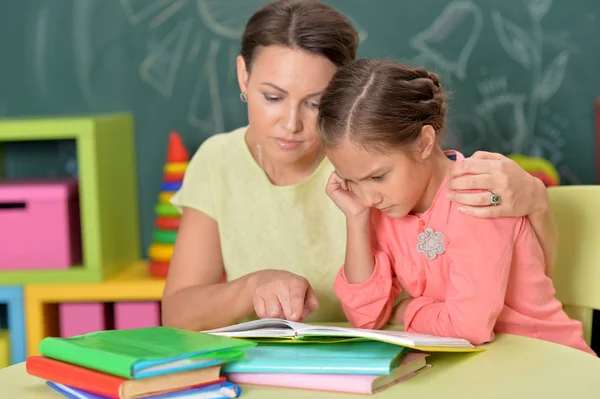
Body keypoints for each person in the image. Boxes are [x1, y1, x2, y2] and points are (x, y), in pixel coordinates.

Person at [161, 0, 558, 332]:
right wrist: (252, 287)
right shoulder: (219, 160)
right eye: (272, 96)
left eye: (315, 102)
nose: (291, 123)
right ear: (243, 76)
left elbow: (525, 283)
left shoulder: (378, 164)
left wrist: (537, 201)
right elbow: (176, 314)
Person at [318, 58, 595, 355]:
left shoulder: (478, 193)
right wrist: (357, 219)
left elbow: (467, 328)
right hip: (479, 367)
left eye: (378, 176)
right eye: (351, 180)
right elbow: (366, 318)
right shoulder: (382, 206)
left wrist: (409, 310)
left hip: (544, 358)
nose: (369, 196)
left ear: (424, 143)